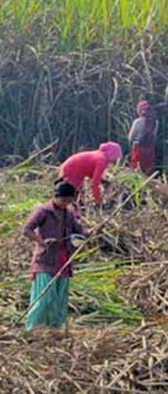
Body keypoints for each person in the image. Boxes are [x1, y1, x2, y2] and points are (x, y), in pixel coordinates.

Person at [21, 181, 86, 331]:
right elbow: (27, 230)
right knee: (43, 298)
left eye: (69, 201)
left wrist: (88, 234)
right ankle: (34, 329)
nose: (66, 204)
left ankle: (55, 329)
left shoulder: (68, 213)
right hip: (45, 260)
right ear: (55, 197)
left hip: (63, 260)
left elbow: (79, 232)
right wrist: (42, 242)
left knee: (59, 298)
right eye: (63, 200)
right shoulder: (43, 211)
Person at [57, 142, 122, 209]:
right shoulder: (101, 161)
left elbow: (89, 170)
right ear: (112, 155)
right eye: (115, 158)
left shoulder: (98, 155)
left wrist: (102, 180)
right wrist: (99, 202)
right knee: (75, 198)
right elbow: (94, 184)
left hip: (69, 167)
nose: (113, 162)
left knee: (78, 198)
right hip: (71, 170)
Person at [129, 100, 158, 175]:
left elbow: (130, 137)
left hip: (138, 147)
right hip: (150, 147)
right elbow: (154, 135)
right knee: (148, 168)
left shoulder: (137, 122)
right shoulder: (156, 122)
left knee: (137, 168)